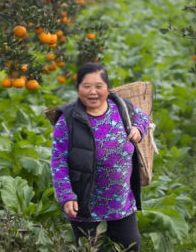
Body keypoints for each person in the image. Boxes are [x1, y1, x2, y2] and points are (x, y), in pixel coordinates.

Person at [51, 63, 150, 251]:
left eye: (99, 86)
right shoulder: (68, 119)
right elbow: (58, 162)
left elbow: (143, 117)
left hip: (120, 200)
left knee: (130, 246)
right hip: (84, 204)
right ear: (78, 88)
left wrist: (139, 128)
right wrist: (66, 196)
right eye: (86, 86)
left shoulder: (122, 107)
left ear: (107, 88)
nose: (92, 92)